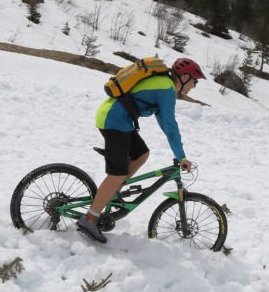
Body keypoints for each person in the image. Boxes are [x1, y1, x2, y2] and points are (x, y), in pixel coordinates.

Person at [77, 57, 207, 242]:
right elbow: (171, 126)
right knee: (117, 173)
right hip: (113, 120)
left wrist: (179, 154)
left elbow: (165, 123)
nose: (194, 86)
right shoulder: (167, 89)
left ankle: (113, 191)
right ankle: (89, 219)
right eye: (195, 81)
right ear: (185, 77)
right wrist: (182, 157)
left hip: (119, 119)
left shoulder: (165, 85)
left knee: (141, 154)